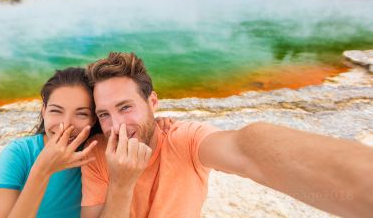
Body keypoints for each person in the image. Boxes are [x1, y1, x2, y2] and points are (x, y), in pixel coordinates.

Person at [80, 52, 373, 218]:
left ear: (152, 102)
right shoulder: (97, 153)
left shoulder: (184, 138)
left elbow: (247, 149)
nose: (116, 126)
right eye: (104, 114)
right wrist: (120, 183)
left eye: (126, 107)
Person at [0, 67, 173, 218]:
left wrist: (151, 121)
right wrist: (42, 170)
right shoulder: (18, 154)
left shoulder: (102, 152)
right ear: (43, 111)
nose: (66, 124)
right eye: (56, 111)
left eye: (81, 113)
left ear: (94, 119)